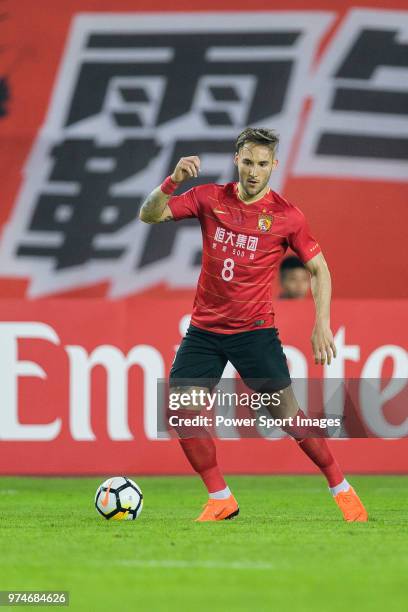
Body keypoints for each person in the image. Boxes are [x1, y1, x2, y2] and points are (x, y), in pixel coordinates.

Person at [139, 127, 367, 523]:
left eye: (263, 164)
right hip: (205, 332)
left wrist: (322, 324)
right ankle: (220, 498)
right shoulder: (210, 198)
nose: (254, 172)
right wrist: (173, 180)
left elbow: (319, 268)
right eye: (248, 162)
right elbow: (150, 214)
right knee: (179, 411)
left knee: (288, 418)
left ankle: (341, 487)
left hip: (254, 332)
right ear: (236, 159)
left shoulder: (286, 216)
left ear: (274, 165)